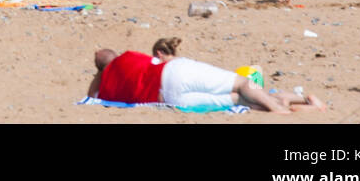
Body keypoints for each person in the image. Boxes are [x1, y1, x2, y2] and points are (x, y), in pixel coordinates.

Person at [88, 38, 322, 112]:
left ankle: (288, 103)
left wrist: (99, 74)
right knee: (242, 83)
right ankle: (283, 108)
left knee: (237, 100)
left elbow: (92, 95)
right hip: (171, 73)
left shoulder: (105, 89)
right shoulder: (128, 56)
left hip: (167, 100)